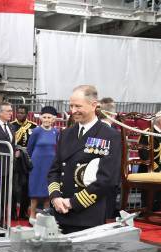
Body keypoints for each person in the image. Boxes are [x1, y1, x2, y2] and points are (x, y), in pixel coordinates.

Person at [47, 85, 121, 234]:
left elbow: (107, 180)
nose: (73, 111)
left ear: (94, 105)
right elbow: (54, 171)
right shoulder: (66, 133)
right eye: (71, 106)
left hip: (88, 214)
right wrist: (55, 197)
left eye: (78, 106)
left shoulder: (109, 135)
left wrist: (73, 203)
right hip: (60, 211)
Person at [27, 106, 59, 220]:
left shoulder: (56, 132)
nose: (46, 119)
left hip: (50, 165)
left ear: (53, 119)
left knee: (47, 190)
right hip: (37, 165)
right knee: (35, 189)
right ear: (40, 118)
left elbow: (58, 148)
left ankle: (46, 216)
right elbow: (29, 148)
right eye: (44, 117)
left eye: (49, 117)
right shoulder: (36, 131)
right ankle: (32, 215)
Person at [138, 111, 161, 211]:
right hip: (149, 171)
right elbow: (145, 156)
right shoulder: (147, 133)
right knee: (149, 202)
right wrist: (159, 170)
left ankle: (159, 214)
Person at [11, 105, 38, 219]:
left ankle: (23, 212)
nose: (20, 114)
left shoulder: (33, 126)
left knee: (26, 186)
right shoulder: (11, 125)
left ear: (27, 114)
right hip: (15, 158)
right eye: (18, 112)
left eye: (22, 113)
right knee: (14, 186)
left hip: (27, 159)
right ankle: (13, 212)